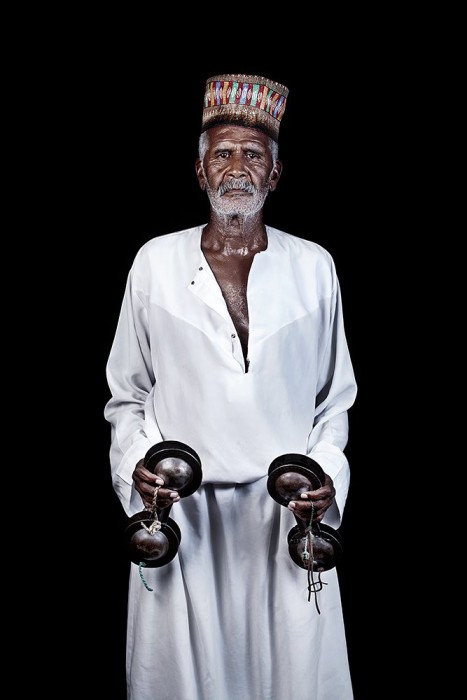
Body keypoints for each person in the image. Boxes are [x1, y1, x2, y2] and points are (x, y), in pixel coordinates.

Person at [104, 72, 358, 700]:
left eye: (253, 154)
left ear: (276, 173)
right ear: (200, 171)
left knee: (294, 678)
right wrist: (137, 469)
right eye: (222, 154)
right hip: (183, 520)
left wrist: (326, 476)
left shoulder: (314, 267)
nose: (237, 168)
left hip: (284, 520)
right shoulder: (155, 263)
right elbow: (127, 395)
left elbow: (335, 400)